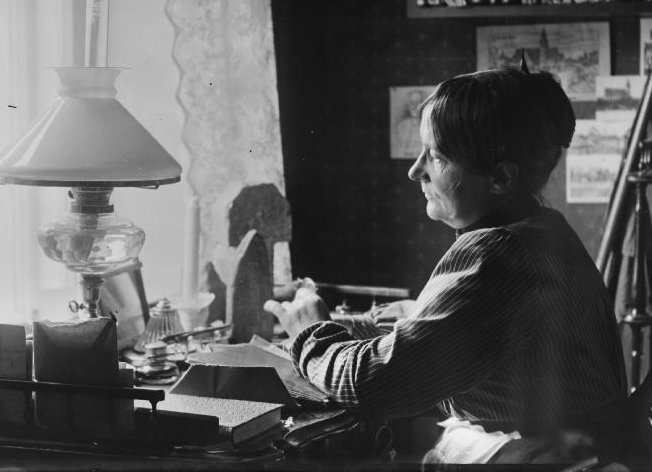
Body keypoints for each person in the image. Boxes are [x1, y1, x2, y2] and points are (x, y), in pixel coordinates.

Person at [264, 67, 628, 465]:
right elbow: (447, 329)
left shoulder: (497, 253)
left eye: (436, 157)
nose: (415, 170)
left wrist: (311, 334)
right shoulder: (542, 229)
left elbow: (373, 387)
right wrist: (351, 325)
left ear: (501, 177)